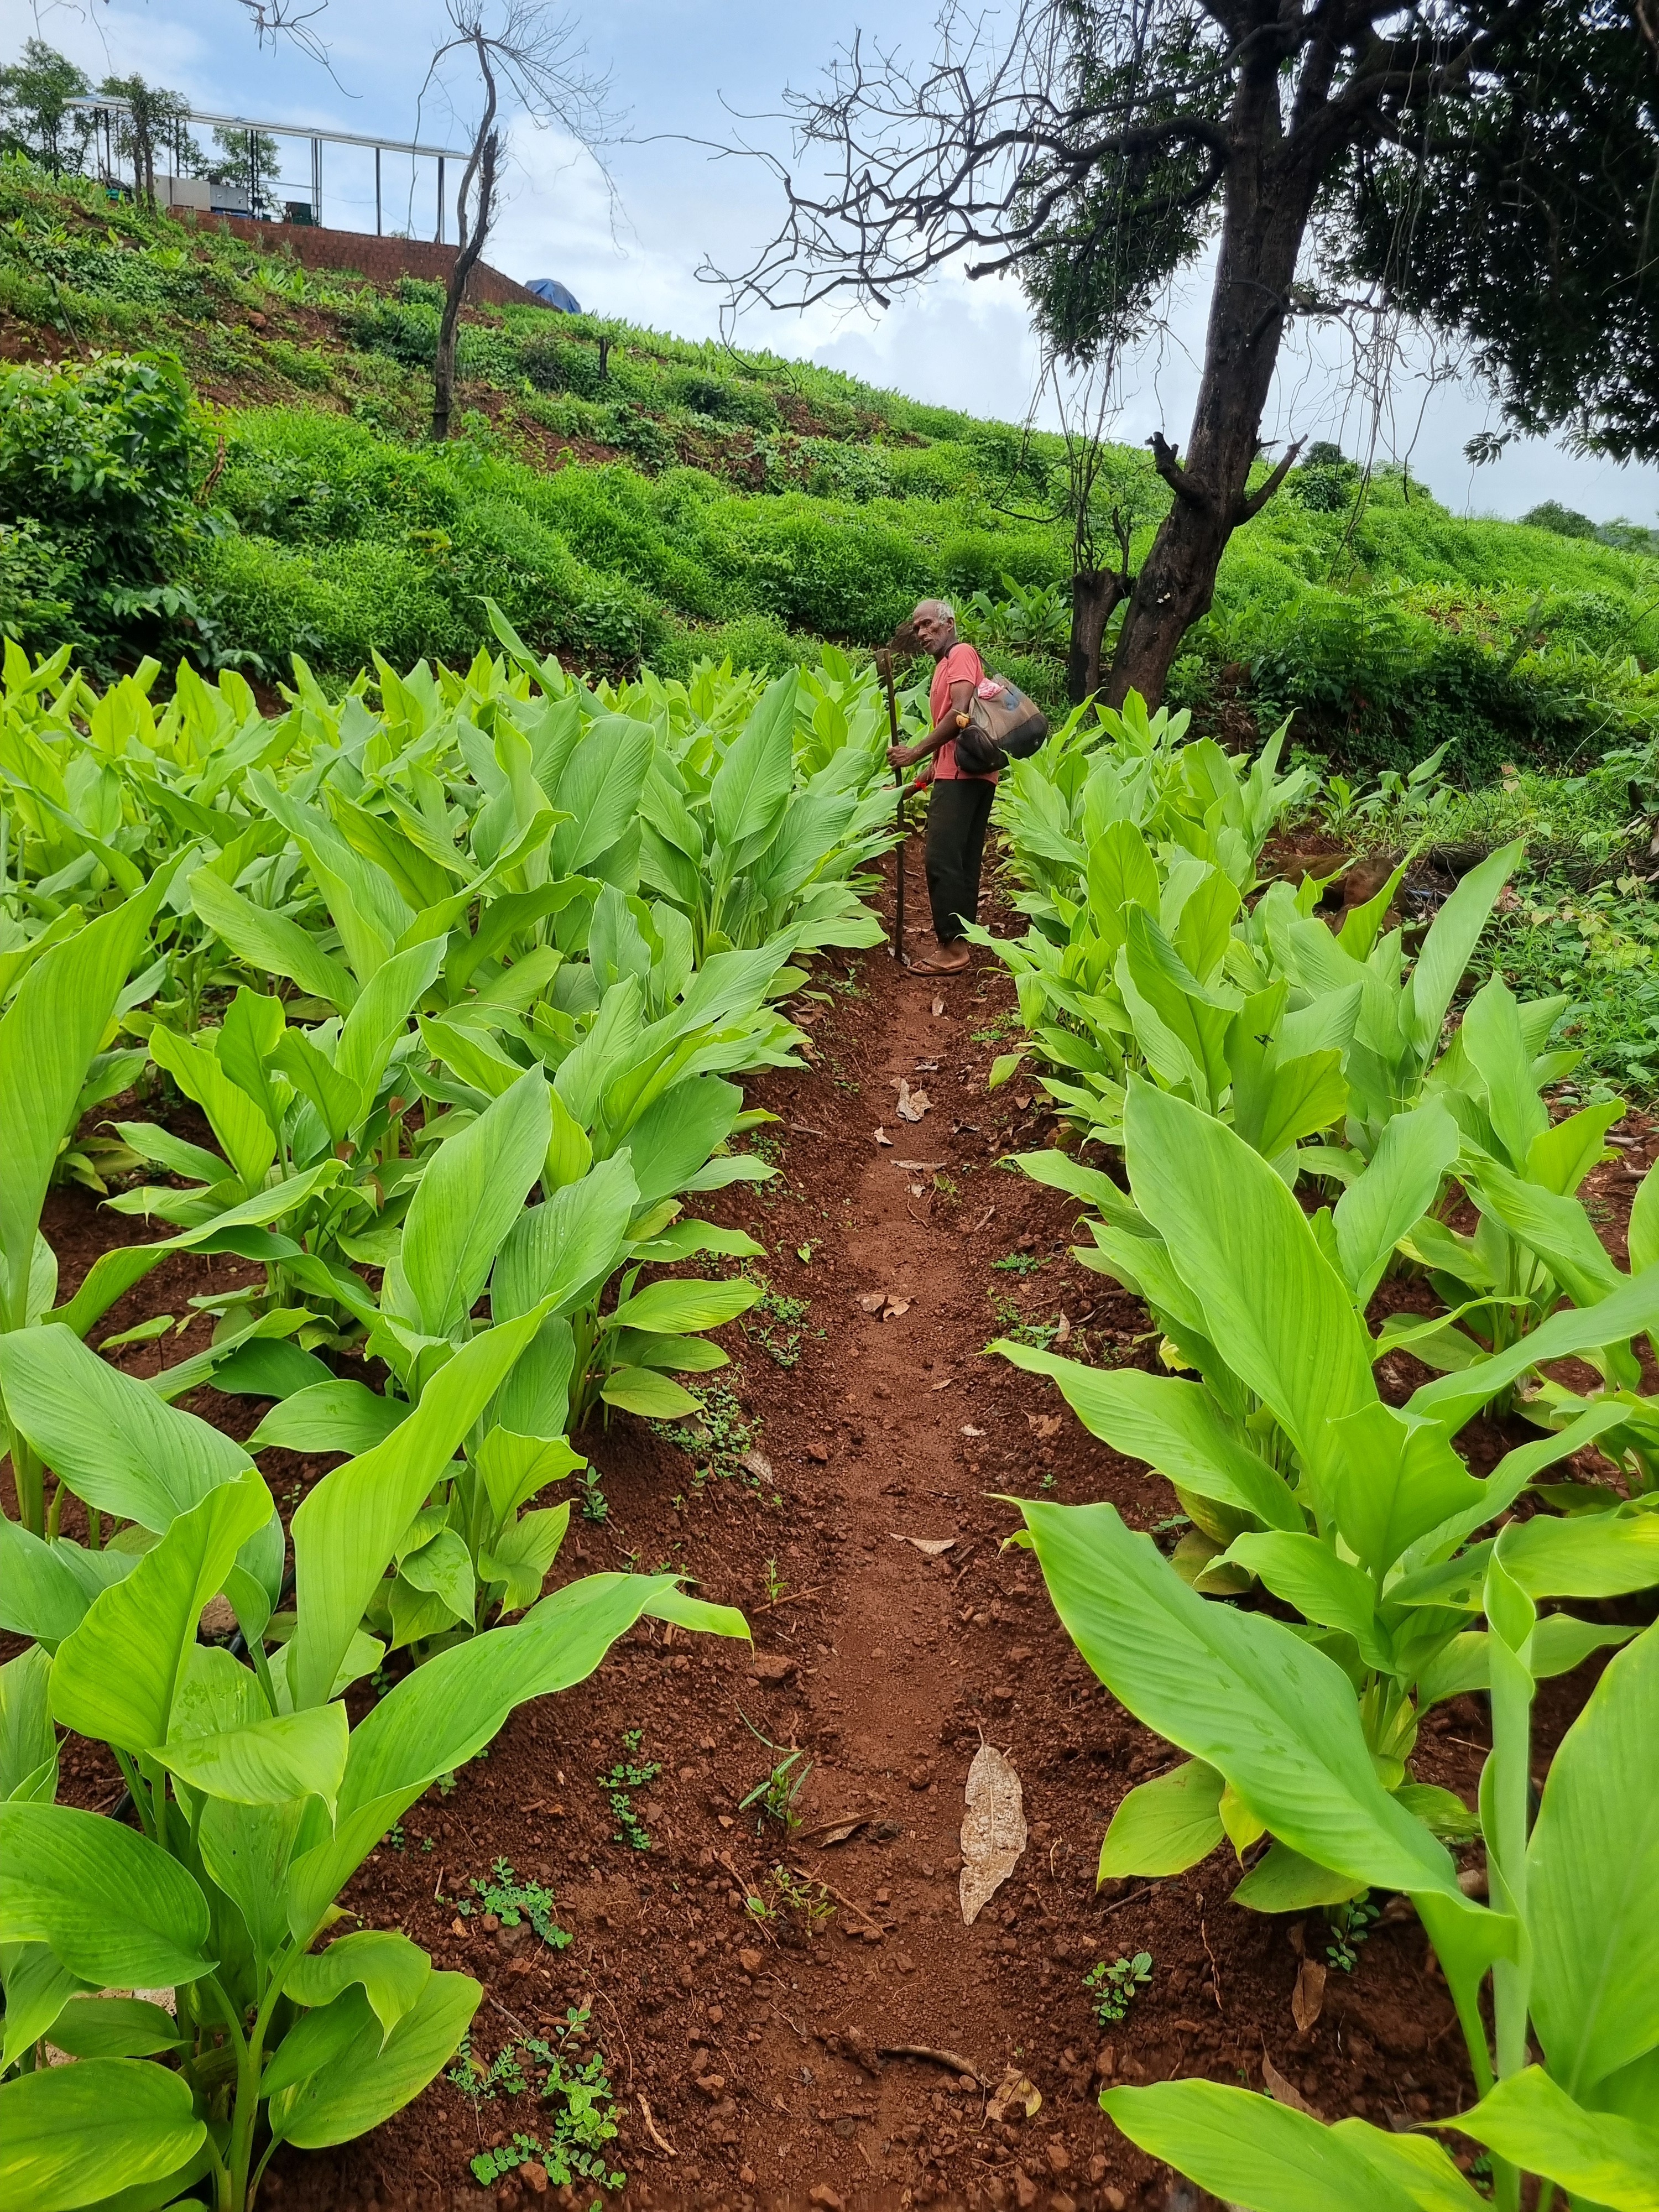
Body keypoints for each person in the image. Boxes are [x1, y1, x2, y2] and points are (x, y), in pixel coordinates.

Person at [885, 597, 993, 975]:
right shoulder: (944, 666)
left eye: (929, 624)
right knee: (960, 861)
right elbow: (946, 752)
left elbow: (961, 715)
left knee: (941, 859)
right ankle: (962, 939)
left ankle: (952, 948)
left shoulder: (961, 654)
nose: (922, 632)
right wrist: (911, 787)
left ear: (949, 623)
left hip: (964, 779)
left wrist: (913, 751)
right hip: (966, 774)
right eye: (917, 627)